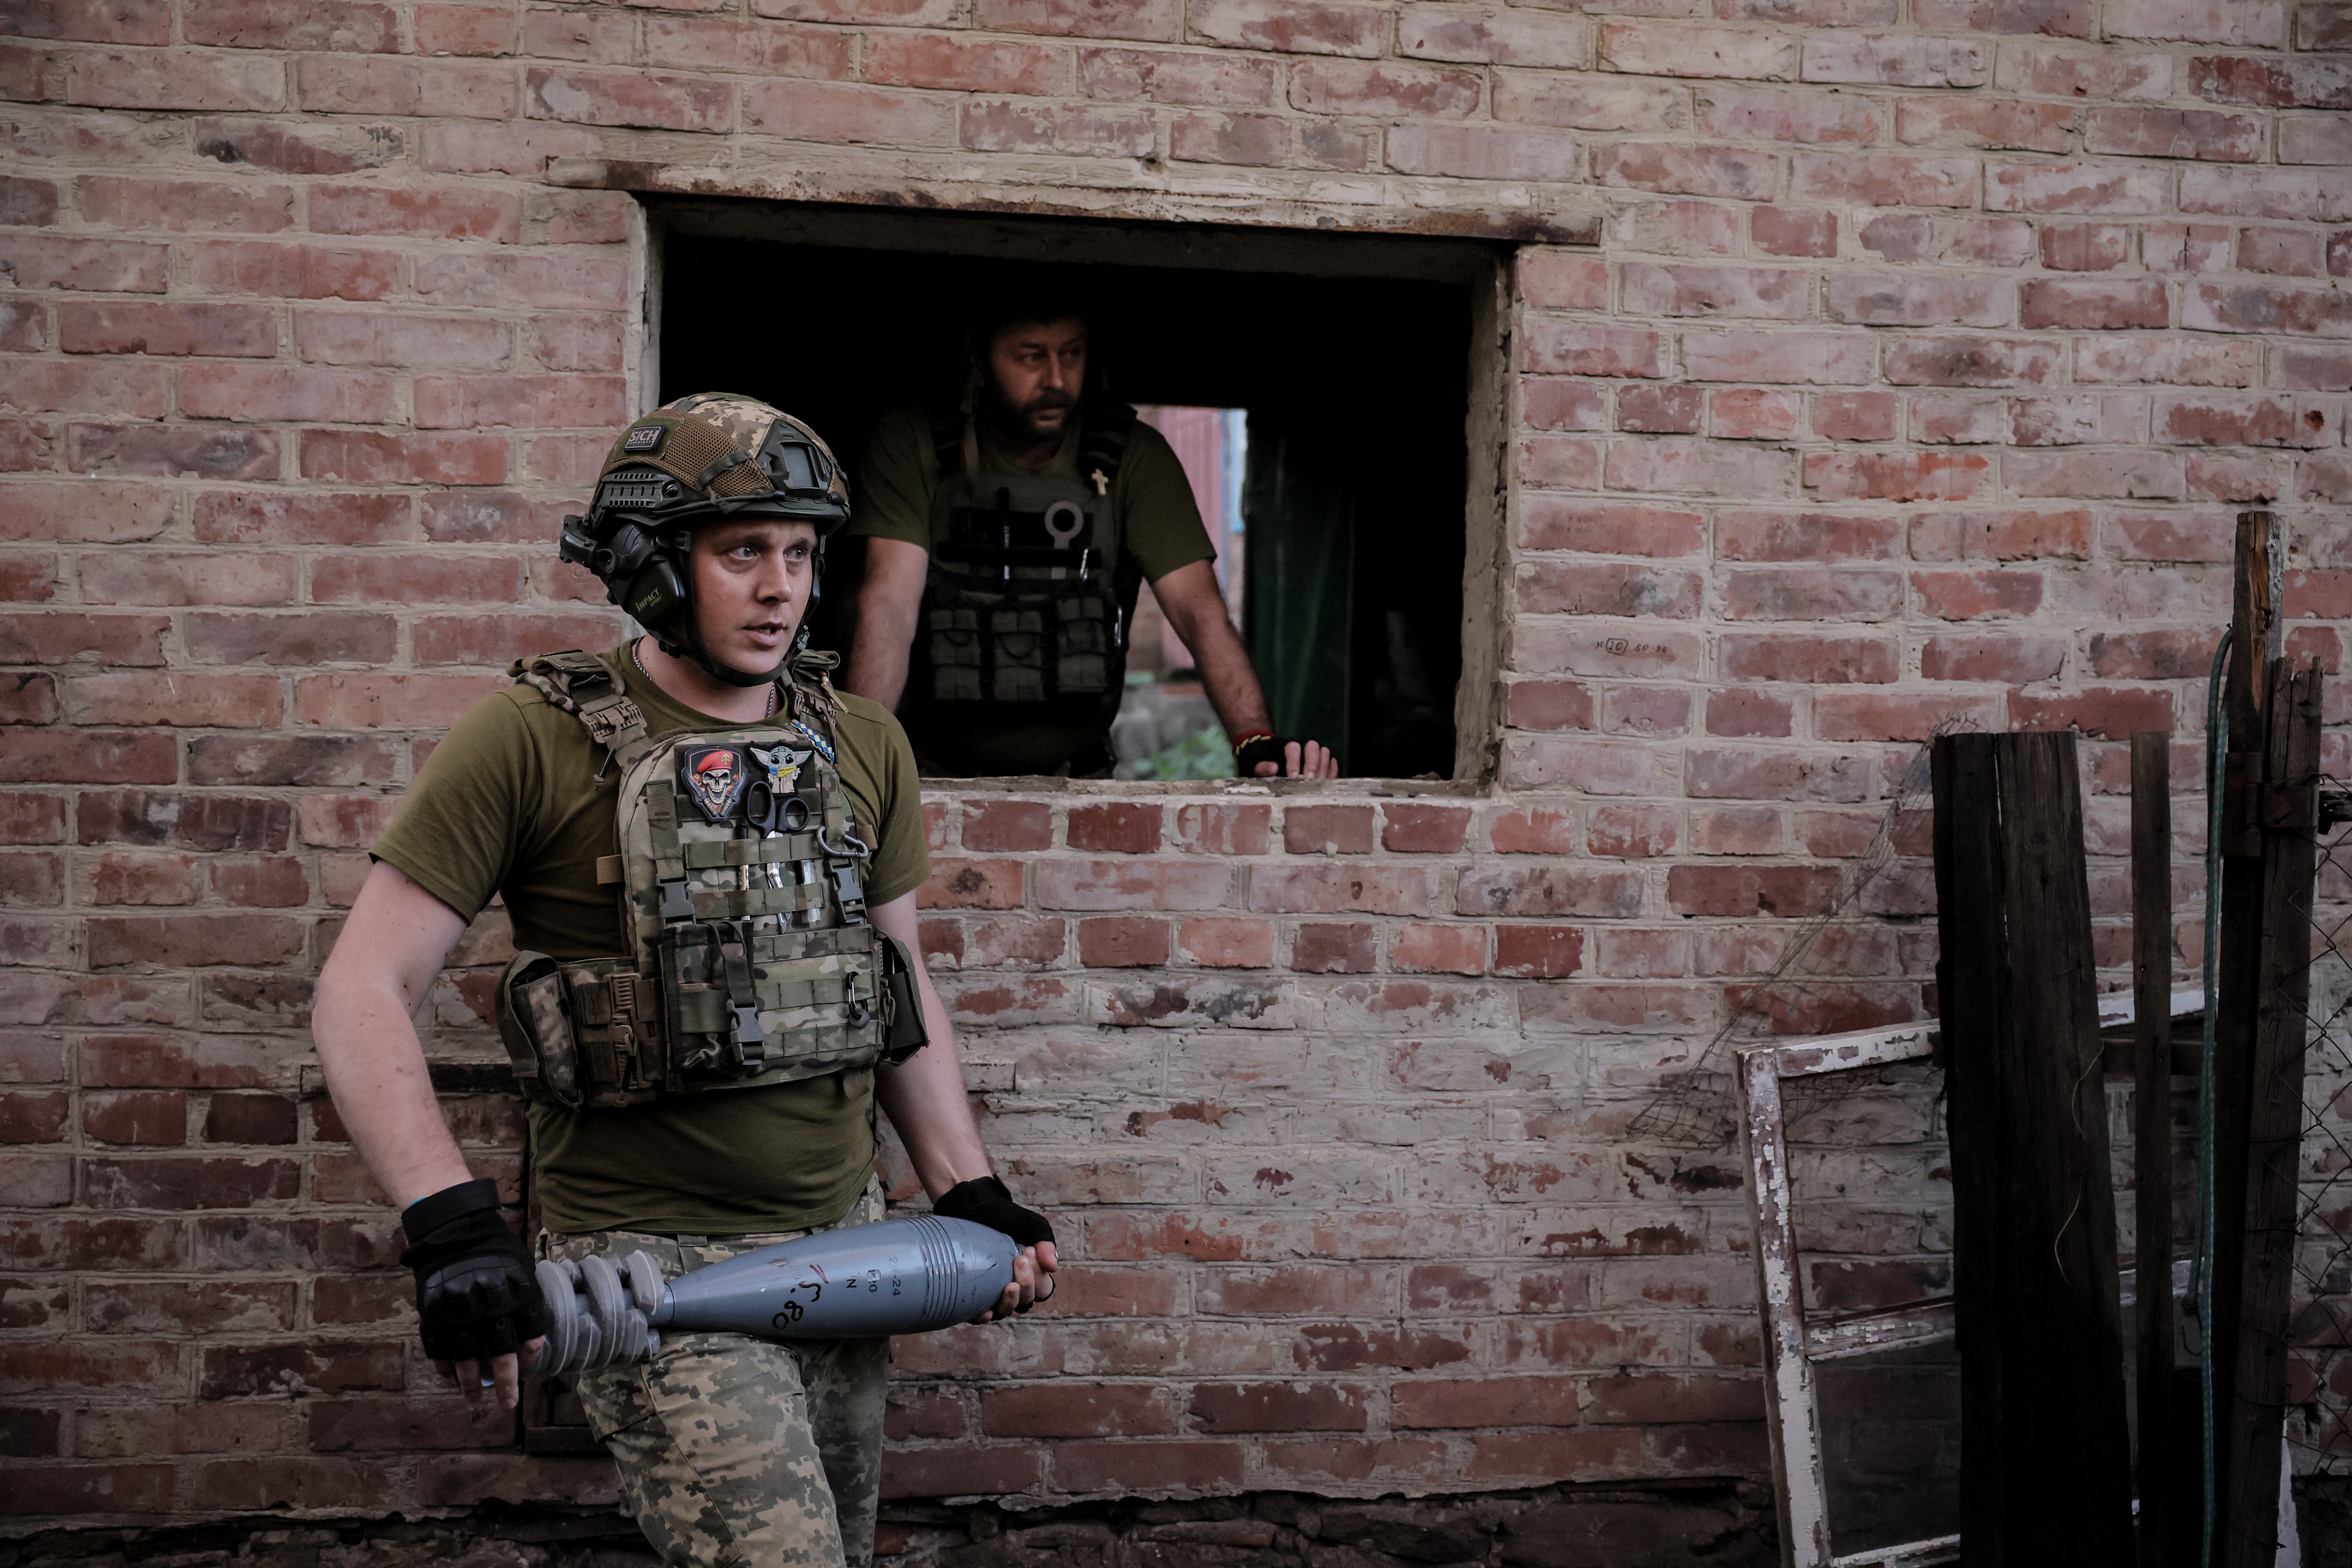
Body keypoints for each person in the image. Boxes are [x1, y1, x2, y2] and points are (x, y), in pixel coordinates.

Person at [311, 393, 1057, 1568]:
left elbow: (895, 984)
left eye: (800, 554)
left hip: (846, 1253)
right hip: (647, 1271)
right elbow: (361, 988)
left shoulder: (862, 742)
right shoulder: (530, 736)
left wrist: (968, 1186)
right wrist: (450, 1224)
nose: (781, 589)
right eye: (742, 551)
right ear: (653, 567)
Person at [839, 302, 1339, 781]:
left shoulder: (1132, 457)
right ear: (980, 365)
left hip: (1076, 778)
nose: (1057, 380)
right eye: (1031, 357)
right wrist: (862, 761)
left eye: (1072, 354)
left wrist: (1254, 739)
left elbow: (1200, 612)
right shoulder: (916, 441)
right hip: (932, 769)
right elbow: (890, 603)